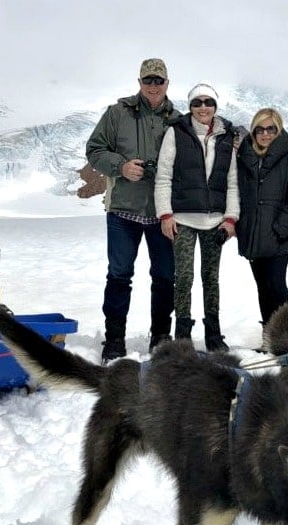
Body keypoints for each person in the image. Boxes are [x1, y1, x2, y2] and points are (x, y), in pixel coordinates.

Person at [86, 58, 181, 363]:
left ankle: (161, 338)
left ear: (167, 83)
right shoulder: (117, 113)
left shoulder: (178, 120)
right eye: (148, 80)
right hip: (123, 210)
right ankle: (114, 340)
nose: (153, 86)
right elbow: (94, 149)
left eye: (159, 81)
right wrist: (121, 167)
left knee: (165, 277)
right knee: (119, 275)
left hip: (162, 213)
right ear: (139, 82)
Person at [154, 82, 239, 351]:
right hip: (183, 220)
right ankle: (183, 335)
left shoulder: (227, 135)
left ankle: (213, 334)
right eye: (197, 102)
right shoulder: (176, 132)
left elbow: (233, 182)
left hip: (215, 221)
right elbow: (164, 175)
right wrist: (165, 214)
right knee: (184, 277)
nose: (203, 107)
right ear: (190, 106)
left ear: (215, 106)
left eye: (208, 102)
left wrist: (230, 218)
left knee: (210, 278)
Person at [236, 108, 288, 337]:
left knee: (276, 285)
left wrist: (281, 227)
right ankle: (270, 337)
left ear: (279, 130)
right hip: (253, 233)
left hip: (277, 234)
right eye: (260, 129)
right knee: (263, 287)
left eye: (271, 129)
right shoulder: (245, 156)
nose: (265, 134)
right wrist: (242, 226)